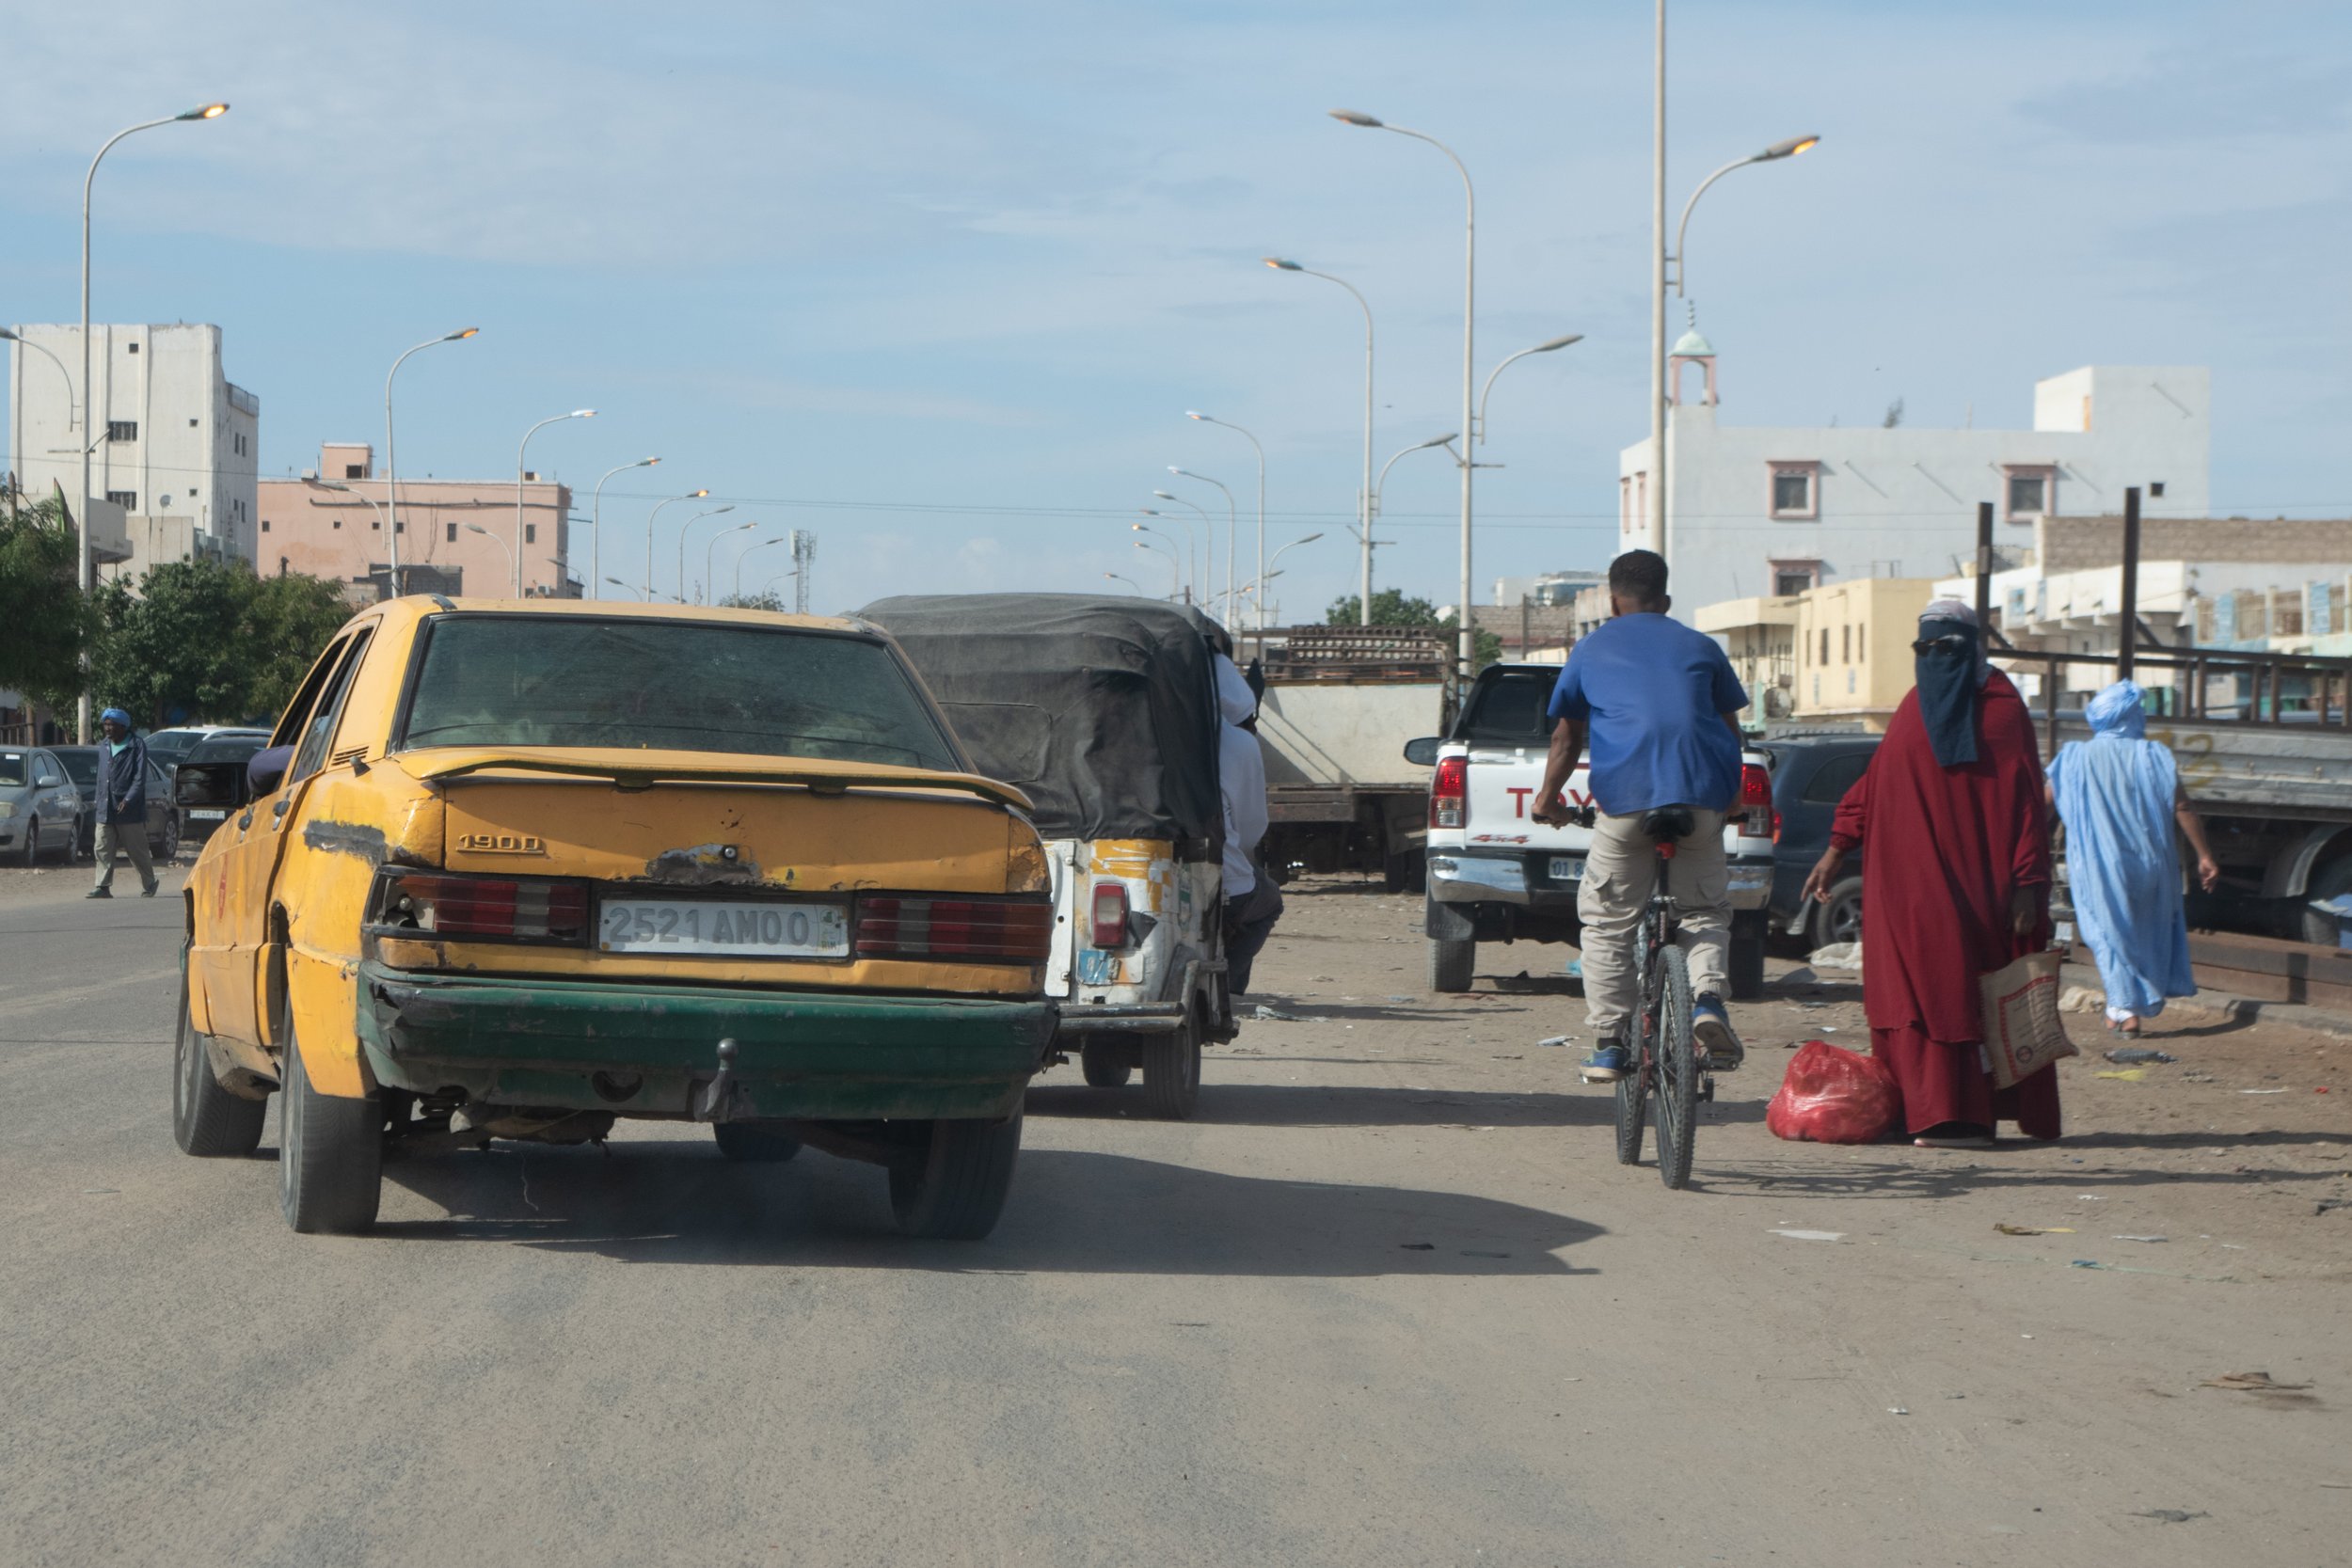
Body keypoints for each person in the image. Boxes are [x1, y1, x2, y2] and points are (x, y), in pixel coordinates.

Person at [1800, 599, 2058, 1149]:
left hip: (1979, 889)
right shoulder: (1914, 709)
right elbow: (1874, 785)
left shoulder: (2001, 710)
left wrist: (2028, 883)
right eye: (1926, 648)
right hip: (1905, 889)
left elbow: (2026, 802)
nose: (1937, 658)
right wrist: (1836, 849)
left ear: (1974, 648)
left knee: (1962, 996)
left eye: (1949, 647)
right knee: (1910, 1002)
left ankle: (1964, 1119)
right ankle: (1913, 1111)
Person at [1531, 549, 1748, 1081]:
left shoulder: (1590, 649)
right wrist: (1733, 798)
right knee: (1704, 913)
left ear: (1612, 602)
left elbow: (1565, 739)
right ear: (1666, 600)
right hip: (1701, 797)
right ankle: (1707, 1001)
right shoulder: (1702, 646)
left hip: (1626, 801)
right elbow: (1730, 732)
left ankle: (1609, 1042)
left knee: (1608, 923)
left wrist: (1547, 800)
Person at [2048, 678, 2221, 1037]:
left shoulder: (2074, 757)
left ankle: (2125, 1010)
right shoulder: (2154, 755)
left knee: (2107, 936)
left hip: (2098, 868)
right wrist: (2204, 855)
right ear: (2130, 717)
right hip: (2150, 866)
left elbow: (2041, 803)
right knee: (2140, 934)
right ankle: (2121, 1008)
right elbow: (2183, 806)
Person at [1216, 654, 1281, 994]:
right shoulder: (1239, 743)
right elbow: (1250, 830)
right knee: (1269, 900)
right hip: (1221, 879)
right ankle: (1225, 987)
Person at [89, 708, 157, 900]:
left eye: (111, 725)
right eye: (105, 725)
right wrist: (98, 799)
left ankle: (149, 883)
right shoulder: (104, 745)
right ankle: (102, 886)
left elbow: (139, 778)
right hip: (105, 806)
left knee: (137, 850)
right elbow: (101, 777)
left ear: (123, 727)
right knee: (102, 847)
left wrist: (128, 799)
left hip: (129, 809)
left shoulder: (137, 745)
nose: (107, 729)